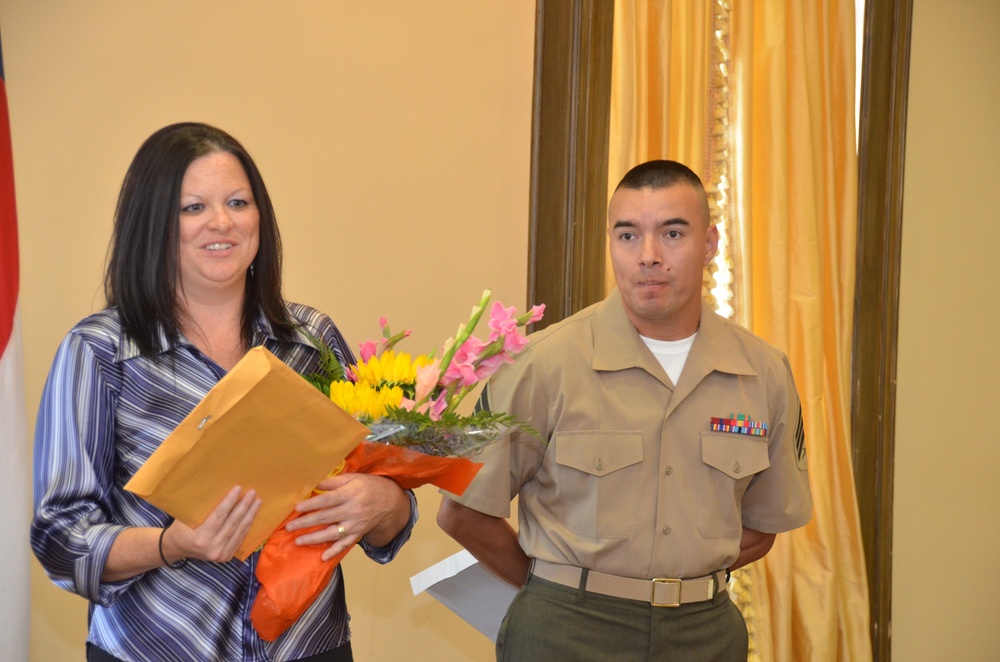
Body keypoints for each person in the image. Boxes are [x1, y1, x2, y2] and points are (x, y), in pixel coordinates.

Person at [31, 122, 416, 662]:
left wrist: (386, 502)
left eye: (238, 202)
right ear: (153, 224)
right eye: (192, 208)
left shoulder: (311, 342)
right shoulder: (99, 352)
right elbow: (59, 539)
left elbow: (387, 514)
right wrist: (171, 544)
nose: (222, 222)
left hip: (308, 645)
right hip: (155, 649)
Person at [438, 159, 812, 660]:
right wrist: (552, 590)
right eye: (628, 235)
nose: (649, 256)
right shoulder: (541, 365)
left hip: (705, 634)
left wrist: (683, 578)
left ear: (711, 244)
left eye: (673, 233)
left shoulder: (763, 372)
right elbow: (463, 513)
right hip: (567, 631)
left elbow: (764, 523)